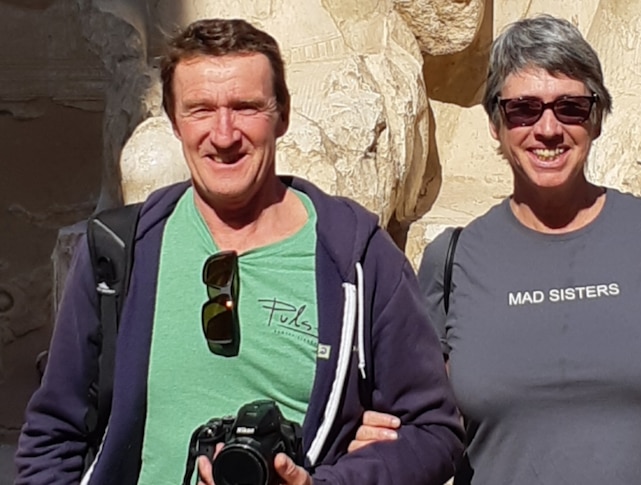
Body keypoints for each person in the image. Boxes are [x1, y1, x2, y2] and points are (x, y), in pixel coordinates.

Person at [14, 18, 463, 485]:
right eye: (200, 109)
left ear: (283, 115)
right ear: (173, 120)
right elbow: (53, 433)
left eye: (246, 107)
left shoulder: (356, 258)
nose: (224, 134)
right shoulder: (121, 251)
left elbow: (433, 432)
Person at [350, 14, 641, 484]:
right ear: (496, 123)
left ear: (595, 118)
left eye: (570, 108)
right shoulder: (451, 264)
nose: (548, 128)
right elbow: (418, 429)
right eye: (524, 109)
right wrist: (380, 445)